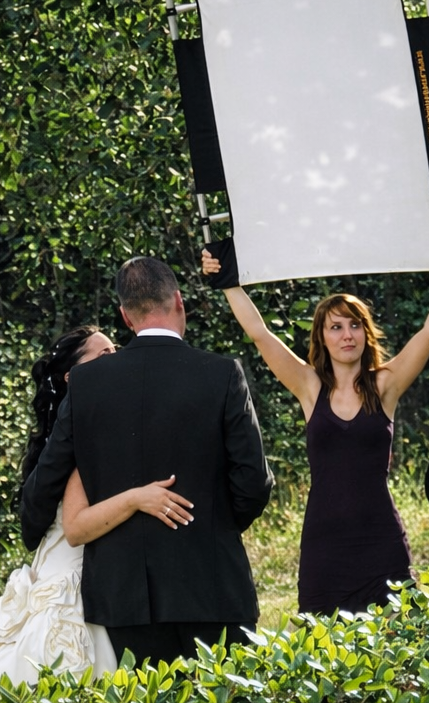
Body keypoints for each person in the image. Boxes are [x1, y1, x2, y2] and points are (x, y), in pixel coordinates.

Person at [21, 257, 273, 666]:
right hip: (211, 585)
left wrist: (32, 526)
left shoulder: (86, 384)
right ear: (178, 300)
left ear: (125, 315)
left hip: (126, 596)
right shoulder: (222, 374)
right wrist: (210, 526)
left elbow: (48, 473)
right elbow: (254, 482)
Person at [202, 245, 429, 614]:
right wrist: (226, 281)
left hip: (381, 539)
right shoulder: (309, 387)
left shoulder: (385, 385)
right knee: (323, 647)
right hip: (324, 543)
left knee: (397, 648)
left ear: (366, 334)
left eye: (355, 325)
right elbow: (260, 333)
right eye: (336, 327)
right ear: (321, 337)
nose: (347, 334)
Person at [0, 326, 189, 697]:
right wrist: (136, 498)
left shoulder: (107, 424)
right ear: (72, 377)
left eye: (116, 349)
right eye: (103, 355)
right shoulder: (76, 437)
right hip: (70, 567)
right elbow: (63, 524)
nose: (117, 359)